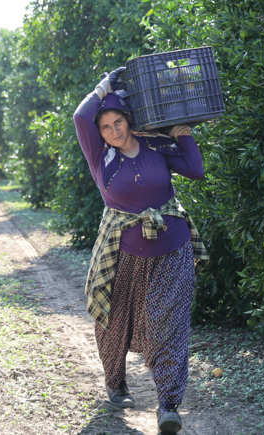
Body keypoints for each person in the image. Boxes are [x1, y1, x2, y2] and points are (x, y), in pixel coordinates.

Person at [73, 67, 208, 434]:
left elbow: (195, 169)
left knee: (170, 322)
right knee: (112, 321)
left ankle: (168, 405)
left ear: (129, 121)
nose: (113, 130)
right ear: (99, 133)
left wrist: (184, 134)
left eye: (118, 122)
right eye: (106, 127)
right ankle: (116, 382)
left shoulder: (156, 146)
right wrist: (103, 87)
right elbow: (80, 116)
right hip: (124, 251)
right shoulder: (100, 158)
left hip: (172, 247)